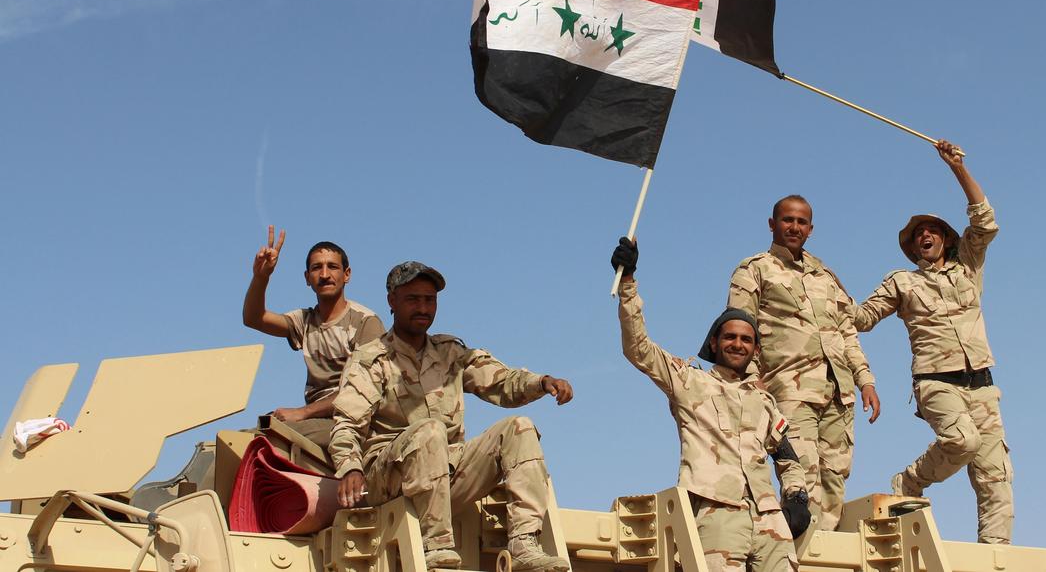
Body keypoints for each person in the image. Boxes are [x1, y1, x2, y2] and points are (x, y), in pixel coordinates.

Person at [330, 261, 574, 572]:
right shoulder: (371, 359)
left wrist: (541, 382)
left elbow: (501, 381)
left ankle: (524, 544)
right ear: (392, 301)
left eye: (429, 300)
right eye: (413, 299)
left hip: (447, 472)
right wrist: (350, 467)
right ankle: (436, 546)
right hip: (390, 480)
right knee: (430, 431)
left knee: (519, 428)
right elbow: (347, 424)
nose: (423, 308)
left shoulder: (450, 353)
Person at [847, 140, 1013, 545]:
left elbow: (985, 220)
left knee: (996, 480)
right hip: (937, 383)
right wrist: (826, 293)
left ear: (946, 240)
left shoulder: (967, 267)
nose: (924, 235)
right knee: (963, 441)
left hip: (982, 384)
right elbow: (862, 318)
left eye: (932, 230)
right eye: (918, 234)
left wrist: (956, 167)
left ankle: (995, 558)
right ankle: (910, 481)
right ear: (912, 247)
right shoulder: (902, 282)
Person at [612, 238, 809, 572]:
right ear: (714, 342)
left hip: (768, 519)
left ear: (755, 350)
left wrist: (796, 496)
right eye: (730, 337)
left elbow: (786, 456)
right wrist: (628, 282)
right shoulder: (690, 382)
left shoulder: (764, 401)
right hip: (716, 512)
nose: (738, 344)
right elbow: (639, 349)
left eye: (746, 339)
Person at [727, 196, 881, 532]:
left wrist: (865, 380)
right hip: (791, 389)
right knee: (802, 482)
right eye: (787, 220)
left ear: (811, 229)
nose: (794, 227)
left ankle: (820, 554)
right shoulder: (754, 269)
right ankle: (799, 552)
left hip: (838, 392)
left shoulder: (824, 275)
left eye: (801, 222)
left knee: (835, 480)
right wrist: (751, 380)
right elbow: (739, 326)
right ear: (772, 224)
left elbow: (846, 331)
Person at [241, 226, 385, 446]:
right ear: (307, 278)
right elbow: (254, 318)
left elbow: (364, 390)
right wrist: (261, 277)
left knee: (263, 439)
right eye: (317, 268)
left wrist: (302, 412)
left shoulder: (365, 322)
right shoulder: (306, 320)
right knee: (240, 439)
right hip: (318, 420)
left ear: (347, 274)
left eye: (332, 267)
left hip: (355, 421)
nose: (325, 275)